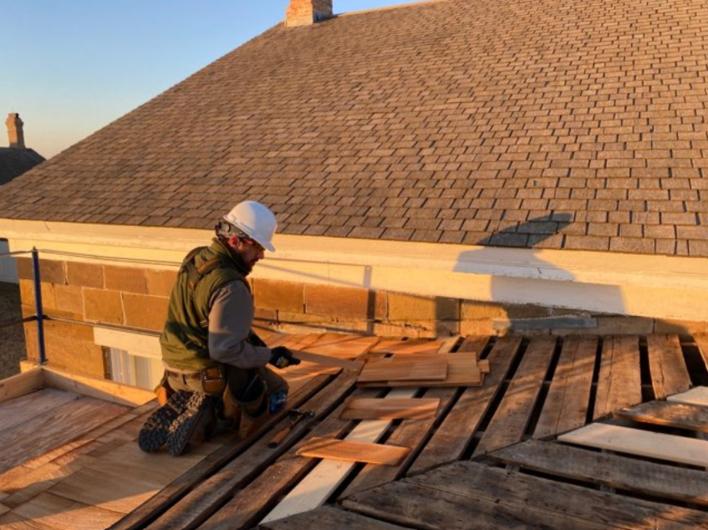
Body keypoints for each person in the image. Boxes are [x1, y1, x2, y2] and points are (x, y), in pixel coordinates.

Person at [138, 200, 300, 456]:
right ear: (236, 241)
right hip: (205, 375)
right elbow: (225, 351)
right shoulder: (232, 287)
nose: (261, 256)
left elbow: (206, 321)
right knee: (276, 392)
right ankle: (210, 419)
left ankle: (176, 396)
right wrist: (269, 356)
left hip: (173, 368)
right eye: (257, 247)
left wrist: (262, 348)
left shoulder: (196, 257)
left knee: (246, 361)